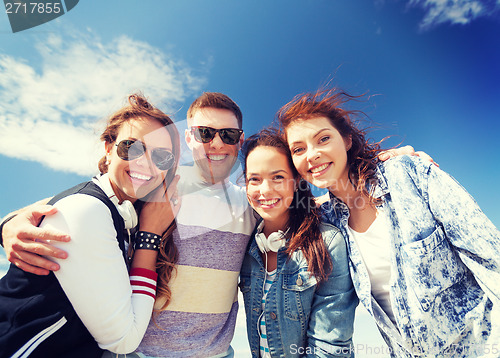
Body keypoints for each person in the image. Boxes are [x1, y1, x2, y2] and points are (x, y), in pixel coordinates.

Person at [0, 91, 427, 357]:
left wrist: (377, 164)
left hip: (215, 353)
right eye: (205, 133)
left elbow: (317, 192)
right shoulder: (156, 185)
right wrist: (9, 223)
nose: (217, 144)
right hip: (140, 353)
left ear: (241, 141)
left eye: (228, 136)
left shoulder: (252, 203)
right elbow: (80, 204)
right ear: (189, 138)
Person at [276, 88, 500, 357]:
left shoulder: (410, 175)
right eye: (298, 149)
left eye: (323, 139)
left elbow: (491, 259)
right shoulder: (326, 223)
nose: (311, 154)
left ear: (347, 140)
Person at [0, 94, 181, 357]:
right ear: (108, 148)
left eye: (162, 157)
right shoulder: (89, 209)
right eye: (132, 147)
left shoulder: (120, 210)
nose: (145, 162)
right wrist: (149, 237)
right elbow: (123, 340)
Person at [239, 128, 357, 358]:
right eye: (255, 179)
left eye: (278, 177)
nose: (265, 190)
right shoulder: (246, 246)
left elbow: (329, 348)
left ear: (296, 182)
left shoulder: (328, 243)